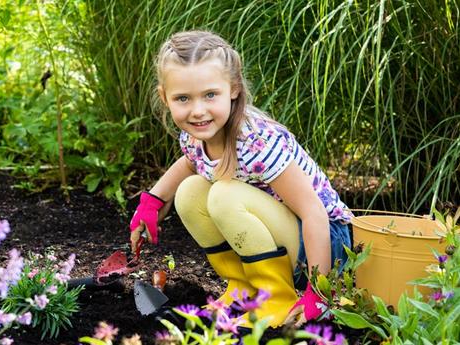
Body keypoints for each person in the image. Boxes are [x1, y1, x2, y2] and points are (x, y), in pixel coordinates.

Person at [129, 30, 352, 328]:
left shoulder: (255, 141)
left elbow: (314, 212)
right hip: (287, 241)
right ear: (164, 97)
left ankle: (276, 298)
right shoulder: (197, 136)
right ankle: (243, 290)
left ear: (233, 89)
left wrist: (319, 292)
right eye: (183, 98)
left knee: (223, 194)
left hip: (327, 247)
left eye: (210, 95)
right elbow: (189, 164)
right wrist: (152, 203)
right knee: (189, 192)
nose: (198, 111)